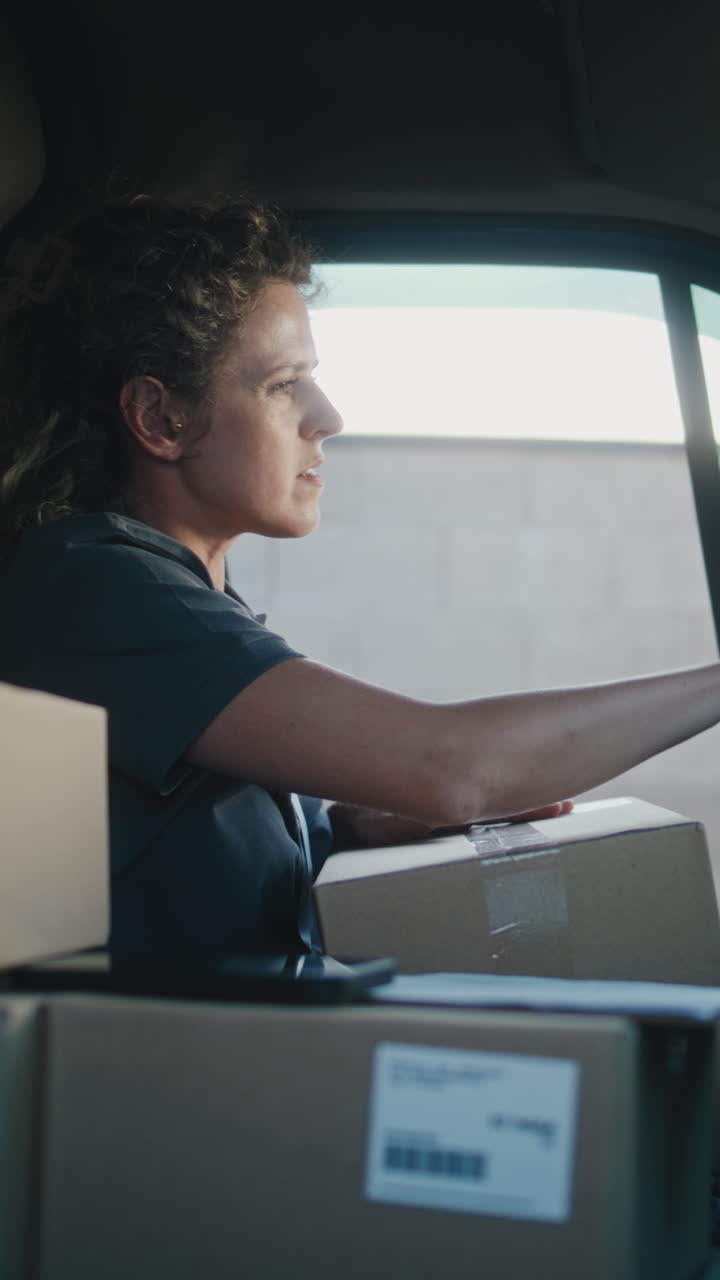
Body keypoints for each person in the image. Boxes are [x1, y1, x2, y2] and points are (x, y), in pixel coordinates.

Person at [1, 194, 720, 964]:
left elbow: (170, 847)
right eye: (284, 384)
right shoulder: (92, 589)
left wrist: (351, 829)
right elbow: (451, 768)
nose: (329, 416)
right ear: (160, 418)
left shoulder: (181, 595)